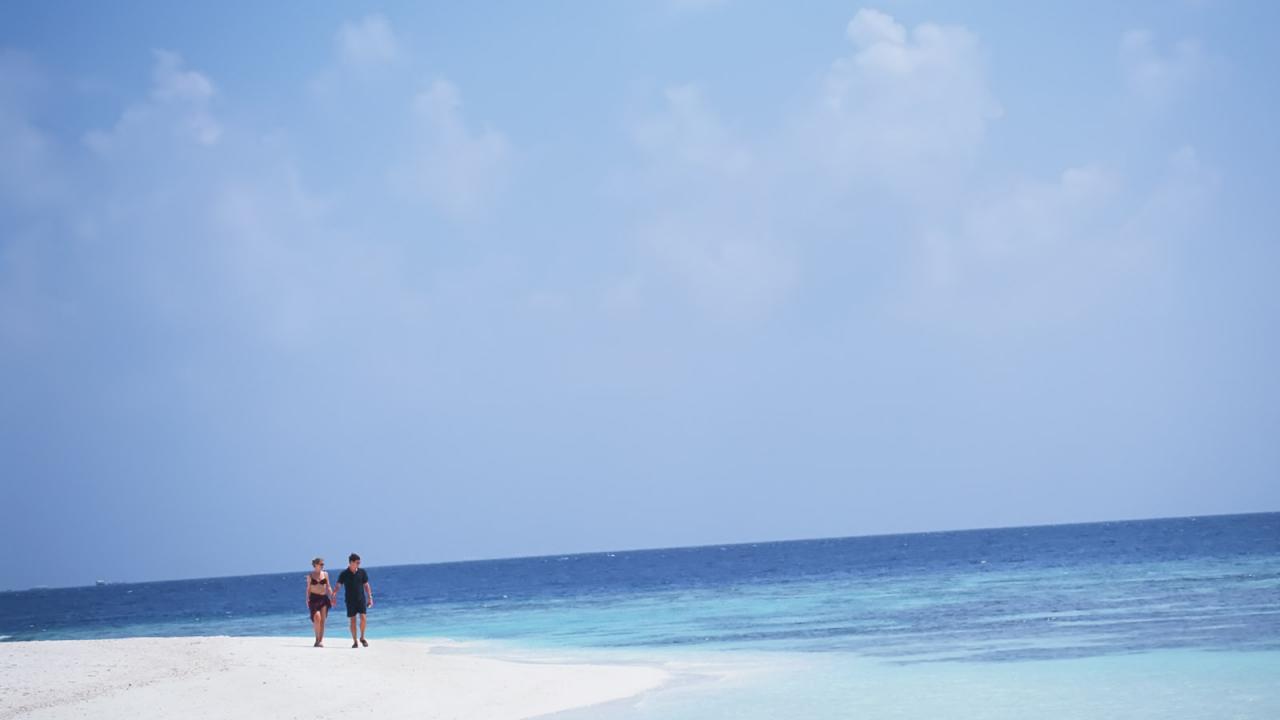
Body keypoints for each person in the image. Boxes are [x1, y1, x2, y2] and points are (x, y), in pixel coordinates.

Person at [336, 553, 373, 648]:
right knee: (353, 621)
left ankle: (362, 637)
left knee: (363, 618)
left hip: (361, 599)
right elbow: (338, 585)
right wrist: (334, 594)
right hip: (350, 601)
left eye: (359, 562)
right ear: (351, 562)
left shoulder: (362, 572)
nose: (359, 564)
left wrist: (370, 597)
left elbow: (366, 585)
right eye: (357, 562)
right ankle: (355, 641)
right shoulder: (344, 573)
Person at [305, 557, 335, 647]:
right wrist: (307, 599)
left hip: (323, 598)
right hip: (314, 599)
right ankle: (316, 639)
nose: (323, 566)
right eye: (321, 564)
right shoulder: (310, 576)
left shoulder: (325, 574)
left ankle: (320, 641)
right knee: (317, 618)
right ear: (316, 565)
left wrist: (332, 596)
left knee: (323, 620)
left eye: (323, 564)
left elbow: (328, 586)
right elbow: (308, 589)